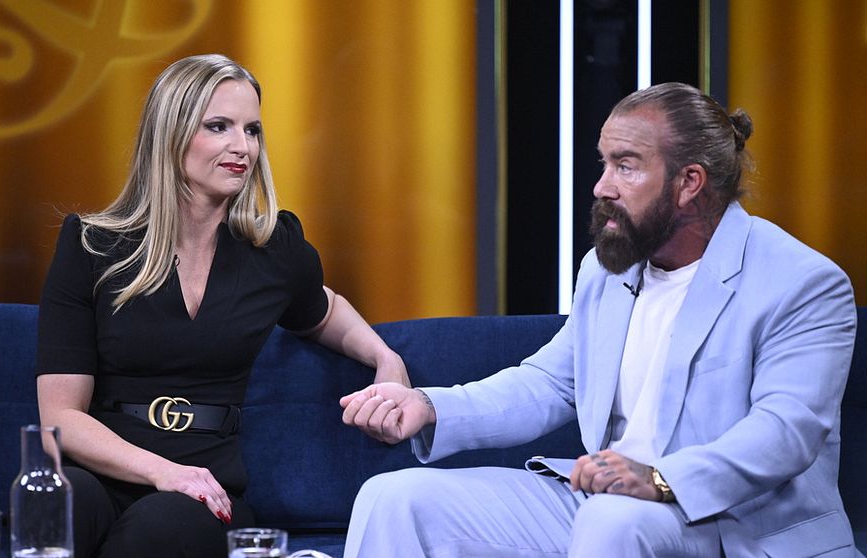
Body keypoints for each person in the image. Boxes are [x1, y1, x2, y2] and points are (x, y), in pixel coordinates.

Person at [340, 82, 860, 557]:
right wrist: (431, 406)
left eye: (625, 166)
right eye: (604, 163)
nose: (601, 186)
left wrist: (658, 479)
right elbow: (552, 383)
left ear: (689, 183)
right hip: (608, 507)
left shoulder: (801, 283)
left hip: (736, 525)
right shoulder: (608, 269)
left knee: (613, 521)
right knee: (396, 498)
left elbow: (785, 432)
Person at [35, 53, 409, 558]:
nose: (243, 147)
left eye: (252, 130)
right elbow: (59, 420)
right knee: (57, 501)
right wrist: (163, 472)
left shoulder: (273, 248)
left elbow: (324, 311)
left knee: (159, 527)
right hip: (105, 471)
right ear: (171, 134)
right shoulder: (92, 246)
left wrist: (386, 359)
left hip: (205, 488)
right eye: (219, 127)